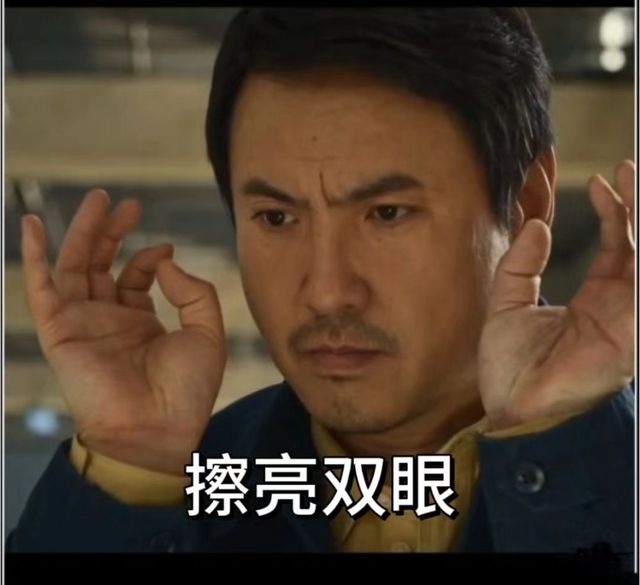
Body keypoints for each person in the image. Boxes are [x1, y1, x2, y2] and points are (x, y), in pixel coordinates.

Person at [7, 8, 635, 559]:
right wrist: (130, 465)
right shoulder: (175, 487)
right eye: (277, 218)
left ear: (525, 202)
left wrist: (562, 448)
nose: (327, 293)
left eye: (387, 213)